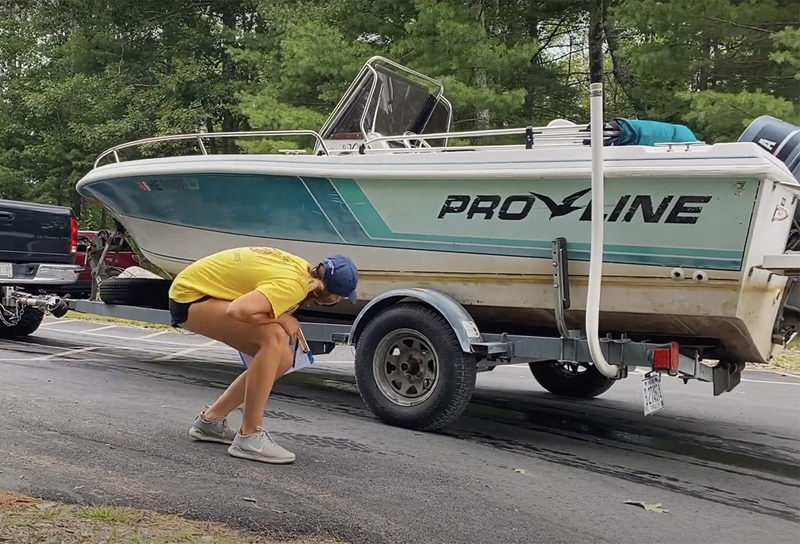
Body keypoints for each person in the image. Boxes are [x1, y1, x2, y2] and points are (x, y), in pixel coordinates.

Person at [167, 246, 358, 464]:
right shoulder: (295, 285)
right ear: (329, 295)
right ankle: (250, 436)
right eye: (340, 298)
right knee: (274, 337)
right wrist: (283, 319)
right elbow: (238, 310)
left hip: (201, 292)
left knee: (283, 357)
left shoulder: (302, 269)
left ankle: (210, 422)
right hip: (190, 298)